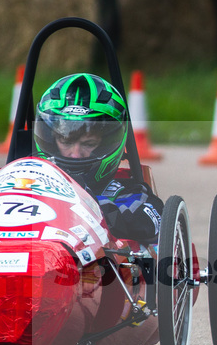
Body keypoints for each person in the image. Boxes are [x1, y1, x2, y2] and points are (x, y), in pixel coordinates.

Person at [34, 73, 163, 244]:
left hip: (93, 267)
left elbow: (150, 218)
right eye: (65, 141)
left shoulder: (126, 194)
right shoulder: (28, 183)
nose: (75, 154)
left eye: (88, 144)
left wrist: (91, 206)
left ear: (107, 143)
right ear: (51, 139)